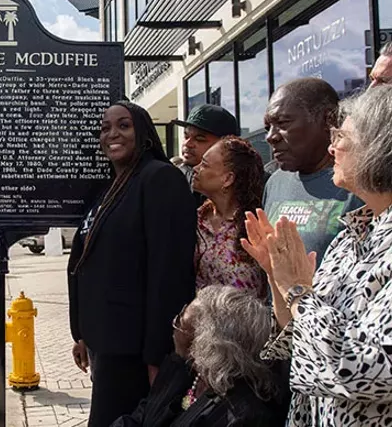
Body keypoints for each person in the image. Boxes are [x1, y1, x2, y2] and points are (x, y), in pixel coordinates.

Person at [243, 86, 392, 426]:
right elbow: (301, 336)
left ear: (380, 150)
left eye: (342, 137)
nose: (332, 146)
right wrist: (277, 276)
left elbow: (364, 370)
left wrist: (297, 290)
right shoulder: (353, 233)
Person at [68, 100, 197, 427]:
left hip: (135, 351)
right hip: (106, 345)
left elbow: (168, 273)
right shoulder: (109, 188)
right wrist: (81, 332)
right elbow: (87, 261)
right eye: (105, 128)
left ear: (143, 133)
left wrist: (157, 356)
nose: (113, 134)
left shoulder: (160, 179)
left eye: (124, 125)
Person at [111, 285, 283, 427]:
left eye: (182, 323)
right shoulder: (184, 369)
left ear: (209, 344)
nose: (175, 326)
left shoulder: (241, 415)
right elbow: (142, 416)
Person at [262, 77, 362, 267]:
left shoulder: (359, 184)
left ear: (328, 120)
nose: (270, 137)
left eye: (283, 123)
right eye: (268, 127)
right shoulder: (275, 182)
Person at [192, 136, 267, 298]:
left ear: (228, 179)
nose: (196, 169)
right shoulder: (196, 220)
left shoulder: (254, 226)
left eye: (204, 165)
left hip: (248, 321)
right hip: (201, 320)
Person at [171, 104, 240, 206]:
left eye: (199, 139)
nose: (187, 144)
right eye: (186, 136)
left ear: (227, 143)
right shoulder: (176, 179)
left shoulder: (253, 184)